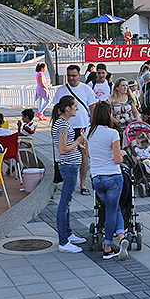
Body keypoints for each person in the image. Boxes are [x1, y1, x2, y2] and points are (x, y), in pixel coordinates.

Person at [86, 102, 129, 260]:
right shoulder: (112, 133)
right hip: (113, 177)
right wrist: (122, 153)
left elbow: (89, 154)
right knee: (112, 210)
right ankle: (108, 247)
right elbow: (117, 160)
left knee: (113, 208)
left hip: (97, 178)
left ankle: (121, 237)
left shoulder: (88, 131)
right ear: (108, 115)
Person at [51, 64, 96, 196]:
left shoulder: (86, 89)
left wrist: (93, 126)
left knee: (83, 155)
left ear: (79, 75)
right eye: (69, 75)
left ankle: (82, 183)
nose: (71, 78)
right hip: (66, 127)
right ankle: (69, 182)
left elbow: (92, 109)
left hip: (82, 127)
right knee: (66, 154)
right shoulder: (61, 90)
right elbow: (56, 109)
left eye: (74, 75)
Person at [52, 96, 87, 253]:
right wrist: (78, 141)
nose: (77, 109)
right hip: (69, 166)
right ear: (68, 108)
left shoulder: (63, 124)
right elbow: (63, 149)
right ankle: (63, 241)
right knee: (64, 203)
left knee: (67, 202)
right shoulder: (62, 125)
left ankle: (67, 234)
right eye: (75, 106)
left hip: (71, 165)